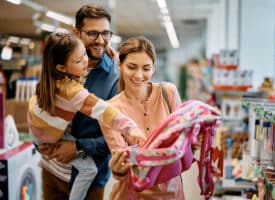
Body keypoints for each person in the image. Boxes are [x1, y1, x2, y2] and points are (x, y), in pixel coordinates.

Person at [28, 32, 145, 200]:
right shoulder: (73, 92)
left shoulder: (49, 79)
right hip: (48, 138)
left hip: (39, 129)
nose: (85, 60)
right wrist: (130, 128)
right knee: (89, 169)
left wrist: (110, 55)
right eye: (78, 60)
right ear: (61, 67)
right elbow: (105, 111)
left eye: (84, 53)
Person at [36, 5, 120, 200]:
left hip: (89, 181)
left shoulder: (115, 78)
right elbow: (41, 106)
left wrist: (79, 148)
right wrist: (39, 142)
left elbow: (117, 136)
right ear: (76, 32)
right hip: (52, 172)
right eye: (92, 33)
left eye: (105, 33)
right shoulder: (58, 64)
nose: (100, 40)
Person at [100, 36, 191, 199]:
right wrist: (118, 169)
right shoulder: (110, 110)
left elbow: (183, 144)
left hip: (172, 194)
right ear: (120, 65)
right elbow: (122, 163)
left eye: (146, 68)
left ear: (153, 68)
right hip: (132, 195)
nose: (139, 75)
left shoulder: (168, 93)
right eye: (132, 67)